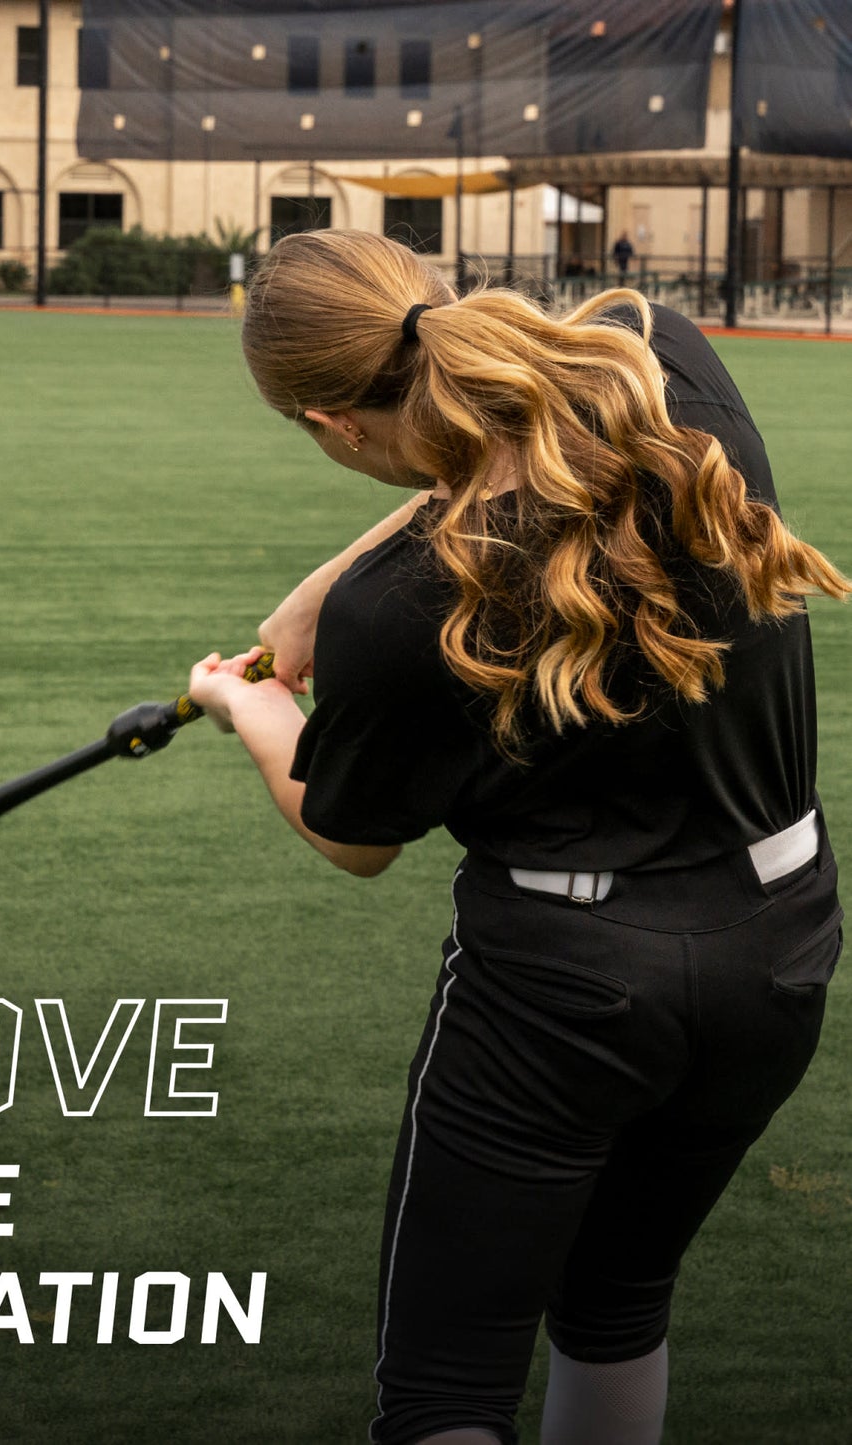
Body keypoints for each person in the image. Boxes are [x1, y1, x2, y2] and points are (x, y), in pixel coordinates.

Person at [186, 230, 846, 1444]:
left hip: (563, 986)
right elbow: (494, 458)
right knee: (613, 1300)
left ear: (331, 422)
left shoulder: (400, 617)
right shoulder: (658, 362)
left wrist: (252, 702)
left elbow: (354, 836)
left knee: (445, 1385)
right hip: (779, 946)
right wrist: (312, 598)